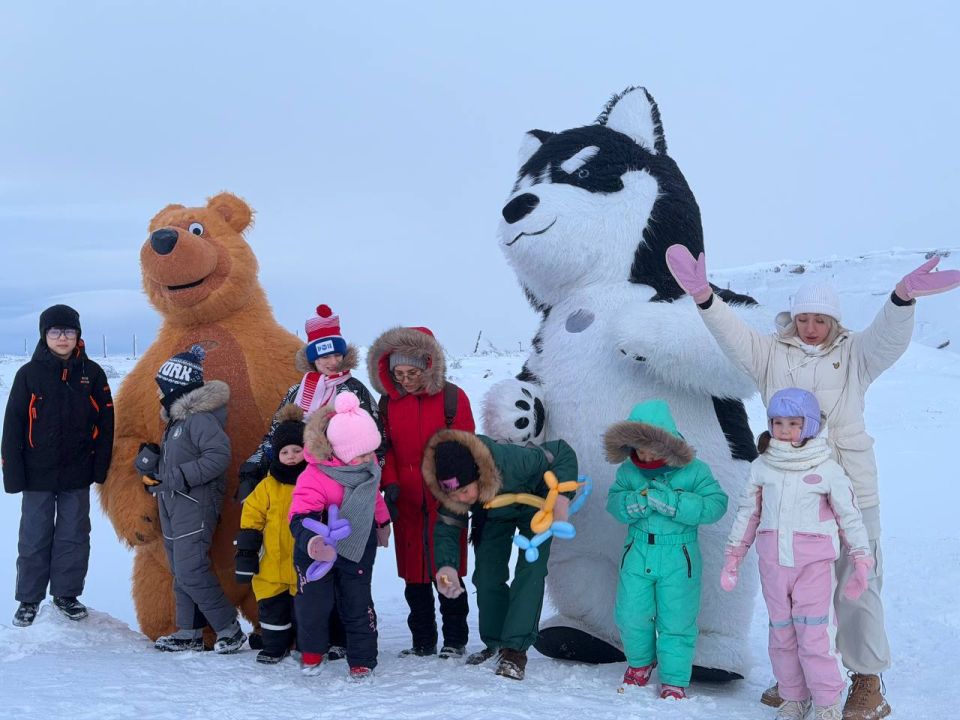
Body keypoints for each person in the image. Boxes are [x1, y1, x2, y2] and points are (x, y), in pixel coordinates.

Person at [666, 244, 960, 718]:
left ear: (834, 321)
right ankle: (797, 679)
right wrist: (704, 298)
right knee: (793, 592)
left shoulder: (855, 353)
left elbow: (887, 339)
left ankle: (866, 679)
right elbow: (733, 336)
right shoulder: (770, 354)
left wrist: (902, 298)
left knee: (858, 582)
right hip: (789, 494)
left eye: (820, 319)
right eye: (803, 318)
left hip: (850, 485)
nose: (810, 327)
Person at [722, 389, 871, 720]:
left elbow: (849, 517)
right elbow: (748, 514)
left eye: (793, 423)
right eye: (778, 423)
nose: (785, 430)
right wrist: (734, 555)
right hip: (774, 566)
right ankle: (793, 697)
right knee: (782, 635)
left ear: (810, 425)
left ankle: (827, 701)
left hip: (812, 567)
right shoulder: (762, 467)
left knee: (815, 634)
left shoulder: (827, 469)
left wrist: (861, 559)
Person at [423, 427, 578, 681]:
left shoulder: (514, 461)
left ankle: (515, 651)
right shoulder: (457, 489)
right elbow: (447, 529)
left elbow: (562, 452)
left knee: (530, 572)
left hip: (535, 503)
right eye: (454, 494)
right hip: (493, 510)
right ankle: (495, 643)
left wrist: (561, 497)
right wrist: (446, 567)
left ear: (478, 474)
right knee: (486, 575)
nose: (460, 499)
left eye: (464, 491)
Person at [604, 399, 728, 700]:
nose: (645, 456)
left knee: (677, 618)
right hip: (637, 552)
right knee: (631, 613)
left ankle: (673, 678)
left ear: (669, 443)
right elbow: (614, 502)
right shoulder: (628, 472)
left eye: (652, 449)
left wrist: (676, 504)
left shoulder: (695, 470)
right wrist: (631, 503)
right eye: (639, 448)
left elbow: (717, 504)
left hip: (679, 558)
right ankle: (640, 662)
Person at [2, 305, 114, 626]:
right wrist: (13, 473)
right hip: (36, 473)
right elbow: (13, 426)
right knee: (34, 536)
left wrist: (100, 466)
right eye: (55, 331)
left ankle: (66, 594)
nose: (62, 338)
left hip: (77, 471)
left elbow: (106, 424)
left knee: (74, 535)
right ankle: (29, 599)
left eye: (68, 331)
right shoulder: (28, 374)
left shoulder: (92, 374)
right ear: (44, 335)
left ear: (78, 335)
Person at [367, 326, 475, 658]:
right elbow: (384, 449)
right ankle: (423, 640)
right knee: (413, 573)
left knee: (446, 565)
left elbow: (466, 446)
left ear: (428, 365)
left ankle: (455, 639)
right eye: (398, 374)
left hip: (446, 498)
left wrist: (455, 490)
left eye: (412, 373)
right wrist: (390, 483)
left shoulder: (453, 398)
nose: (406, 380)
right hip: (407, 500)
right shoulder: (388, 403)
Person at [135, 344, 245, 653]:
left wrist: (173, 478)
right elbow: (177, 465)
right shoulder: (177, 423)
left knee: (190, 570)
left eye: (162, 387)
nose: (159, 393)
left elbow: (218, 457)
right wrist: (151, 464)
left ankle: (229, 629)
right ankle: (189, 632)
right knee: (180, 572)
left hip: (195, 506)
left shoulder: (200, 420)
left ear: (177, 387)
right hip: (173, 504)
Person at [288, 391, 392, 680]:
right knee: (314, 603)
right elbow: (299, 516)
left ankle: (362, 659)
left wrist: (382, 522)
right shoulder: (315, 475)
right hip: (317, 550)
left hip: (357, 544)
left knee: (357, 601)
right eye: (361, 453)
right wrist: (313, 542)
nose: (368, 458)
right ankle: (312, 651)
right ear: (338, 450)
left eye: (371, 451)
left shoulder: (367, 466)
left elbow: (372, 495)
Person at [239, 304, 383, 500]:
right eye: (325, 356)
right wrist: (253, 467)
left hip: (344, 483)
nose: (333, 362)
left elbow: (377, 436)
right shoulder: (296, 392)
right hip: (297, 482)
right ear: (313, 359)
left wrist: (372, 478)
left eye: (337, 355)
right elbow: (276, 435)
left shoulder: (355, 389)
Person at [235, 404, 306, 664]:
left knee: (305, 611)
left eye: (297, 450)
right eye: (284, 452)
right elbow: (251, 518)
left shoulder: (312, 481)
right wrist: (246, 553)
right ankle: (275, 647)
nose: (291, 456)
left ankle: (305, 646)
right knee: (272, 611)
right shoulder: (267, 485)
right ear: (276, 454)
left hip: (304, 566)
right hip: (271, 566)